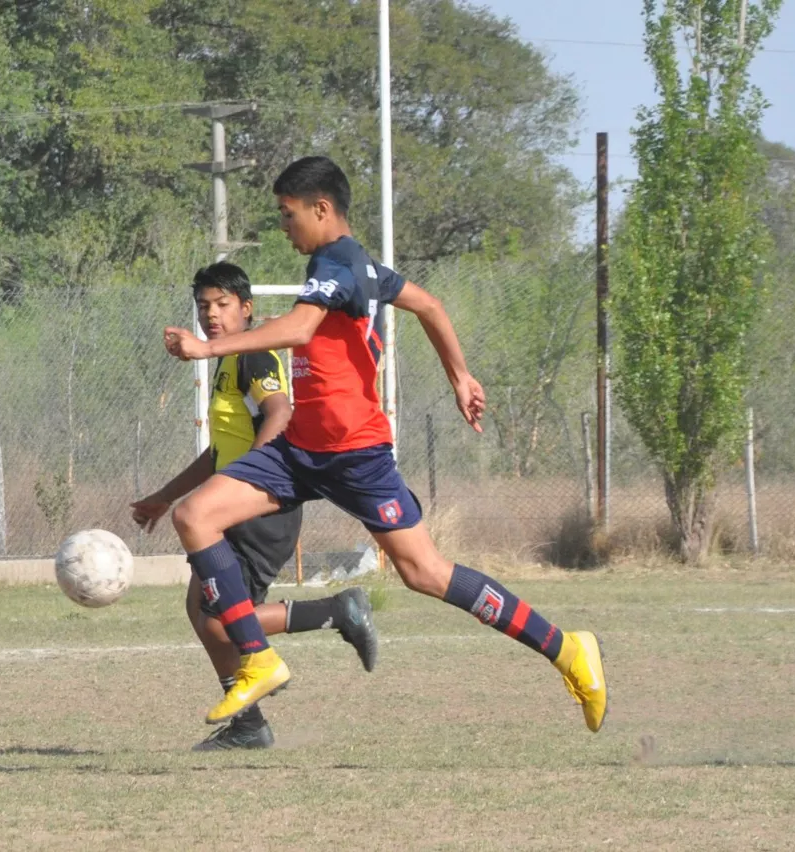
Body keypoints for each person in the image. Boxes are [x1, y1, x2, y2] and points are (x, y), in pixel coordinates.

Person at [162, 157, 607, 733]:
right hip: (301, 449)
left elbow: (300, 329)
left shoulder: (340, 260)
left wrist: (205, 349)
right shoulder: (360, 266)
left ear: (321, 209)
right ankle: (258, 660)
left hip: (353, 452)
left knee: (425, 573)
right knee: (195, 515)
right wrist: (460, 376)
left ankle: (568, 649)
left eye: (287, 214)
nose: (283, 226)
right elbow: (427, 305)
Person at [132, 261, 377, 751]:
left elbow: (281, 413)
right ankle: (248, 722)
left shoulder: (256, 354)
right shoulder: (227, 361)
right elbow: (218, 452)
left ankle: (336, 611)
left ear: (246, 308)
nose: (212, 315)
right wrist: (167, 496)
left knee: (220, 619)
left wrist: (249, 481)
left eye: (222, 305)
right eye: (204, 306)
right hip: (233, 502)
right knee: (200, 609)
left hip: (258, 508)